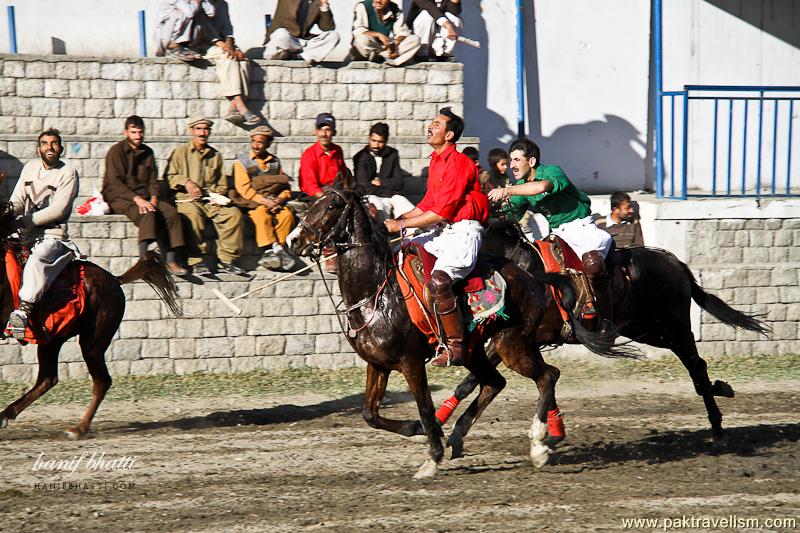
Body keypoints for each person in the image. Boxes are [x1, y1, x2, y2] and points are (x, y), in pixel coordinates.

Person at [384, 107, 488, 367]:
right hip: (445, 231)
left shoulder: (461, 163)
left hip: (464, 232)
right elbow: (428, 203)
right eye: (431, 123)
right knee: (402, 254)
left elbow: (441, 211)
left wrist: (402, 225)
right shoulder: (435, 161)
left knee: (439, 281)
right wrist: (398, 222)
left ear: (450, 134)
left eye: (436, 124)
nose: (430, 127)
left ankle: (455, 346)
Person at [487, 138, 614, 332]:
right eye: (510, 160)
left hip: (582, 228)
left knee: (592, 264)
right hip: (557, 235)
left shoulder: (552, 172)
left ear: (531, 162)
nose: (511, 165)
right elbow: (511, 215)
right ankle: (563, 318)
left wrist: (506, 191)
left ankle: (607, 318)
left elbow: (541, 188)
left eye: (516, 160)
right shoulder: (521, 186)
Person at [6, 129, 80, 340]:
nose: (50, 147)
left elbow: (58, 210)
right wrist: (7, 214)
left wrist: (22, 222)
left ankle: (24, 311)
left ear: (61, 148)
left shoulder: (68, 173)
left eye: (54, 143)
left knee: (38, 260)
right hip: (24, 235)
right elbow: (18, 200)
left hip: (52, 236)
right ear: (38, 148)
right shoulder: (30, 168)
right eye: (45, 143)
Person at [103, 116, 188, 276]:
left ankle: (171, 260)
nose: (137, 136)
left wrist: (154, 197)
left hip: (145, 197)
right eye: (133, 132)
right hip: (120, 198)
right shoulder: (116, 152)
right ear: (126, 132)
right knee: (148, 212)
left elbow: (153, 180)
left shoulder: (148, 152)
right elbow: (115, 183)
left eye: (140, 132)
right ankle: (143, 260)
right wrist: (138, 199)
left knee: (171, 213)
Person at [154, 0, 261, 126]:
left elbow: (226, 28)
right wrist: (223, 45)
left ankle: (233, 107)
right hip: (182, 42)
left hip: (208, 44)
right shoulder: (196, 3)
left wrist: (230, 44)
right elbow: (202, 24)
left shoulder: (222, 4)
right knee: (227, 55)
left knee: (242, 61)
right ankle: (241, 106)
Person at [166, 117, 248, 277]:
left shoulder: (215, 155)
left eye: (205, 129)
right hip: (187, 199)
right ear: (192, 131)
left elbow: (222, 184)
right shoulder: (180, 152)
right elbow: (170, 177)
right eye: (199, 129)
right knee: (192, 216)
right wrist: (187, 182)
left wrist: (215, 195)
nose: (202, 133)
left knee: (233, 215)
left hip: (210, 200)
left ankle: (227, 260)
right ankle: (196, 261)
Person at [231, 125, 296, 271]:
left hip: (274, 200)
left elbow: (285, 187)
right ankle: (274, 249)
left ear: (268, 144)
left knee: (287, 215)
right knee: (261, 215)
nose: (255, 145)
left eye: (260, 142)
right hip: (254, 202)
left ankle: (275, 250)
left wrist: (279, 199)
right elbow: (244, 190)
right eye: (253, 141)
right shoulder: (242, 162)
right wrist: (265, 201)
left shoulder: (275, 162)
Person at [353, 122, 414, 222]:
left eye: (380, 142)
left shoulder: (392, 154)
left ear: (386, 141)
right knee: (379, 208)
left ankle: (413, 234)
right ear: (369, 138)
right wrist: (389, 190)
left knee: (406, 205)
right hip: (371, 195)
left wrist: (381, 182)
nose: (376, 145)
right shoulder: (360, 157)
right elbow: (363, 186)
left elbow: (399, 182)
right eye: (373, 141)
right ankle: (384, 234)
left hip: (391, 195)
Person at [263, 0, 340, 64]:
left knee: (334, 36)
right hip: (286, 40)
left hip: (300, 42)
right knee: (280, 34)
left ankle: (301, 56)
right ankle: (296, 53)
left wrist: (324, 5)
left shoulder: (316, 3)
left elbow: (328, 27)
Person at [351, 0, 421, 67]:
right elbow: (357, 30)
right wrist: (378, 35)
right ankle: (385, 56)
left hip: (386, 47)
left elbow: (403, 31)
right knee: (361, 40)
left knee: (415, 39)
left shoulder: (394, 9)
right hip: (372, 46)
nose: (378, 1)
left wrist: (396, 43)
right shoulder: (363, 6)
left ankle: (387, 57)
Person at [299, 113, 348, 199]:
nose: (324, 134)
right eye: (320, 129)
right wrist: (327, 199)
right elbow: (310, 186)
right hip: (317, 196)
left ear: (334, 132)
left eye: (328, 130)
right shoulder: (309, 154)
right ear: (316, 132)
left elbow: (344, 175)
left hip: (337, 193)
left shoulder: (338, 150)